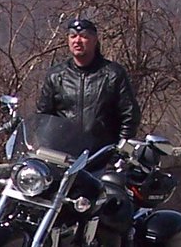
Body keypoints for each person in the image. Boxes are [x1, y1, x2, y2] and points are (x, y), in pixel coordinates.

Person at [36, 16, 141, 154]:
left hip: (102, 157)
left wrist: (119, 150)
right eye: (73, 36)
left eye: (84, 36)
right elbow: (43, 117)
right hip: (65, 157)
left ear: (94, 40)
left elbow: (129, 115)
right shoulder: (56, 75)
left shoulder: (113, 74)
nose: (77, 41)